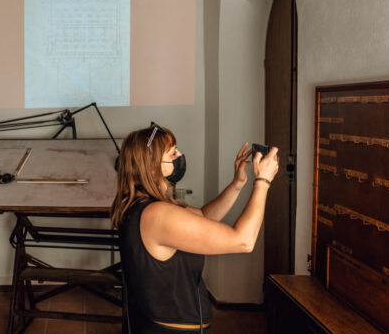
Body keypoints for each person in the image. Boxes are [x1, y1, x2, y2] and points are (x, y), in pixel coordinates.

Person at [111, 123, 279, 334]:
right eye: (173, 153)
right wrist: (263, 182)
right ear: (152, 166)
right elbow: (243, 241)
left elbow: (203, 217)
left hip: (148, 323)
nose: (180, 156)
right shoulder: (158, 214)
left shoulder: (142, 204)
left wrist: (238, 183)